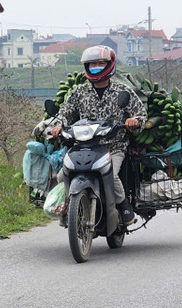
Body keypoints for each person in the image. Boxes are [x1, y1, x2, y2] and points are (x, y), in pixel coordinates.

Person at [49, 45, 147, 225]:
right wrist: (57, 126)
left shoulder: (122, 91)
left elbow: (140, 113)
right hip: (83, 146)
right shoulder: (78, 92)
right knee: (62, 176)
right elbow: (64, 114)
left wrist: (134, 121)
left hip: (113, 146)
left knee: (112, 175)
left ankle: (124, 206)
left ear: (109, 65)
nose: (96, 67)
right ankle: (66, 207)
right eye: (92, 64)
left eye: (100, 63)